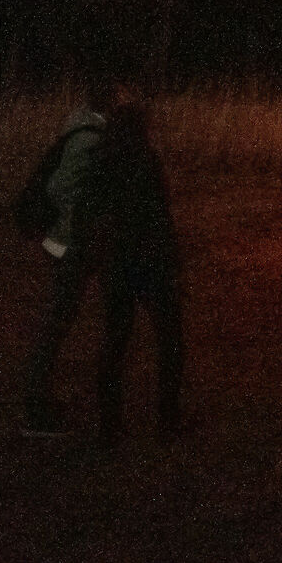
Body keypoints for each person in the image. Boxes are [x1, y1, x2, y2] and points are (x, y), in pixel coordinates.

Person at [85, 81, 184, 445]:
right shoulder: (146, 159)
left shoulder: (100, 159)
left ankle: (110, 426)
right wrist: (172, 258)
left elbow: (94, 214)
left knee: (115, 339)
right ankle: (168, 418)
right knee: (170, 338)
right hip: (150, 260)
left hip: (117, 262)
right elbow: (159, 214)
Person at [22, 76, 108, 436]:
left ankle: (39, 400)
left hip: (70, 241)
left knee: (59, 319)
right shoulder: (89, 138)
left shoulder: (87, 131)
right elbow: (60, 188)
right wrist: (81, 222)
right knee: (56, 322)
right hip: (71, 243)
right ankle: (37, 410)